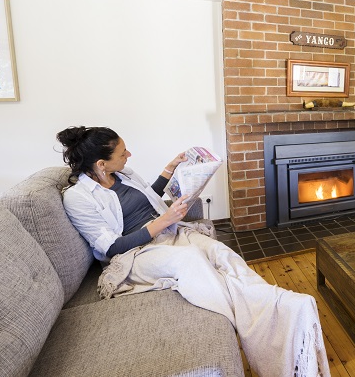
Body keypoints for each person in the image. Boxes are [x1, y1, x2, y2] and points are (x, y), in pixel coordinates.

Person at [57, 126, 329, 377]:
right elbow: (112, 247)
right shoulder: (78, 197)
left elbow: (145, 199)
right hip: (134, 254)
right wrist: (164, 221)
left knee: (221, 253)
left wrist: (169, 170)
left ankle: (278, 302)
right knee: (190, 260)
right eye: (122, 153)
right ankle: (257, 327)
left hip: (168, 232)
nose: (129, 155)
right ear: (101, 164)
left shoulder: (123, 174)